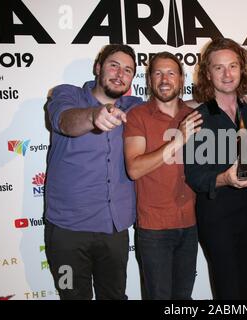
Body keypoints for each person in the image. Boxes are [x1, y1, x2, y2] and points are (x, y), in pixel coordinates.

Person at [44, 44, 143, 300]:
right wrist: (94, 116)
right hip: (67, 232)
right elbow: (64, 120)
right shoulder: (68, 95)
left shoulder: (135, 107)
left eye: (128, 70)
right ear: (98, 68)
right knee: (71, 296)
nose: (120, 74)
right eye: (114, 65)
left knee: (114, 296)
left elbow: (172, 109)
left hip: (114, 230)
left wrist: (219, 98)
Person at [184, 38, 247, 300]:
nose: (227, 74)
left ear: (242, 69)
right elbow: (195, 176)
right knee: (228, 292)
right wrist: (226, 178)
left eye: (233, 66)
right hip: (216, 216)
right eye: (219, 68)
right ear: (208, 73)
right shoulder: (198, 116)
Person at [123, 52, 202, 300]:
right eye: (158, 73)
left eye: (171, 73)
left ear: (181, 78)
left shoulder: (194, 114)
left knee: (183, 298)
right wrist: (178, 139)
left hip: (189, 223)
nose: (164, 79)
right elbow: (134, 169)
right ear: (149, 79)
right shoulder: (138, 116)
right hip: (154, 228)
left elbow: (221, 101)